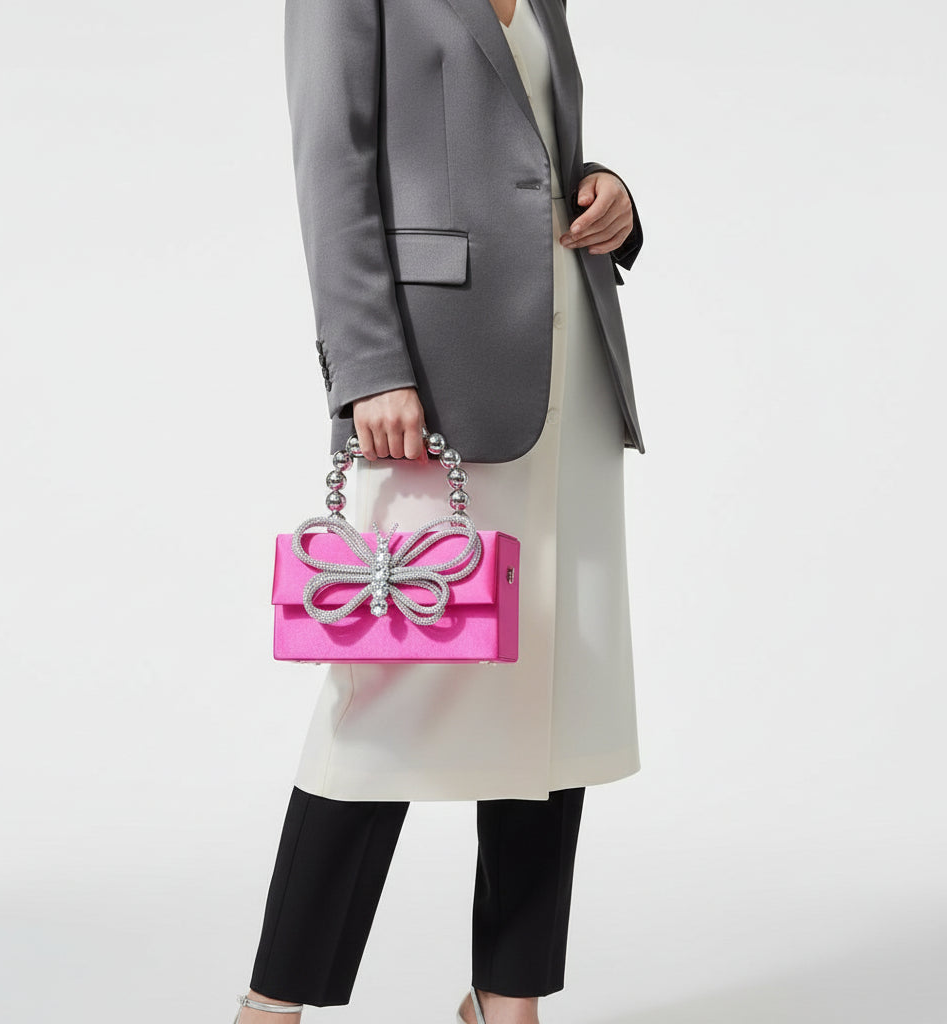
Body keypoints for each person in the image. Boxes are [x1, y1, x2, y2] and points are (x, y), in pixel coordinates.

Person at [233, 0, 647, 1021]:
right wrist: (367, 365)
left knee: (550, 695)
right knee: (381, 699)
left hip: (569, 367)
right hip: (435, 381)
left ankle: (507, 1003)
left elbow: (534, 149)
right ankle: (271, 1006)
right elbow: (331, 163)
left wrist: (612, 195)